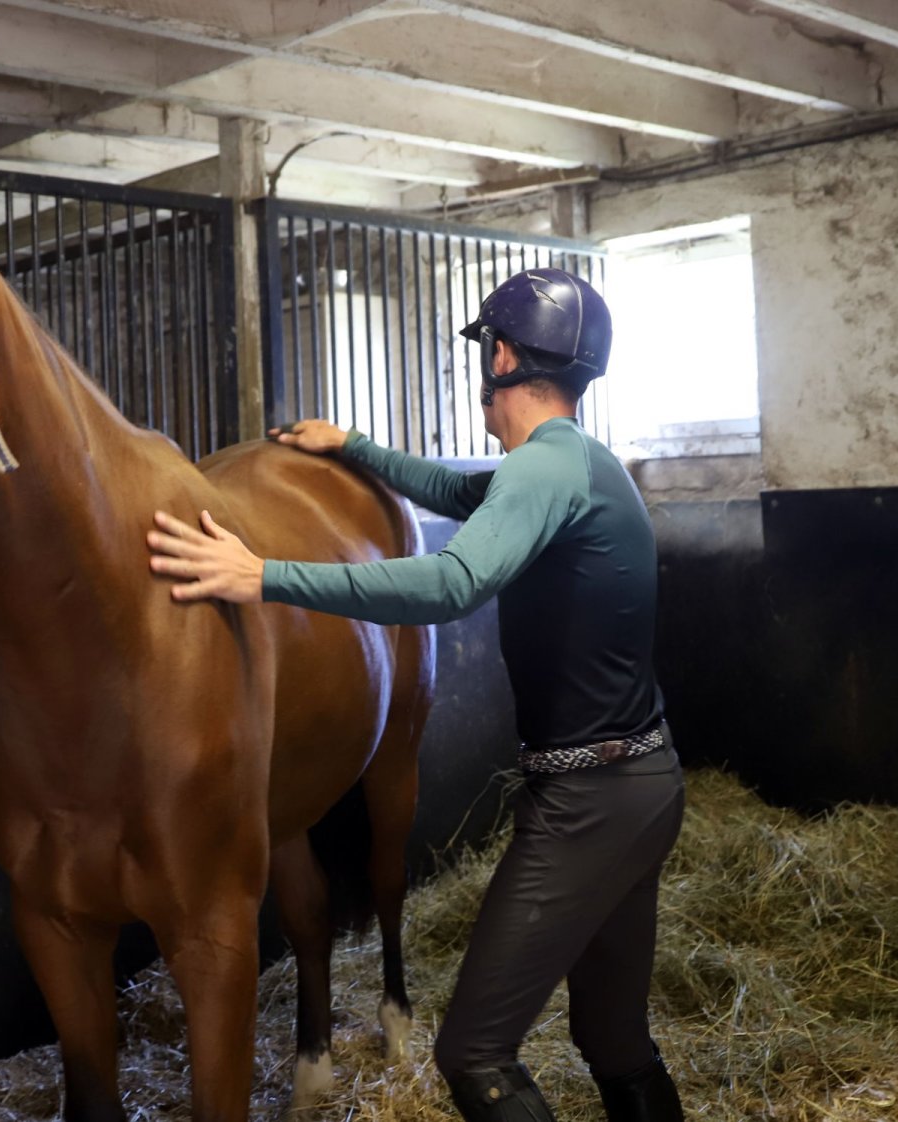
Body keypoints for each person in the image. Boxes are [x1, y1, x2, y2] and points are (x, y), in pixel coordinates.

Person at [146, 268, 686, 1122]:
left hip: (589, 803)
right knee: (614, 1040)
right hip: (641, 785)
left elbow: (451, 582)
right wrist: (355, 447)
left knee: (474, 1052)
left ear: (501, 357)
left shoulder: (544, 469)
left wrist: (264, 575)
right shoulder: (574, 463)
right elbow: (452, 491)